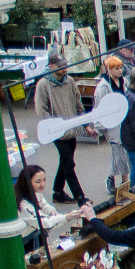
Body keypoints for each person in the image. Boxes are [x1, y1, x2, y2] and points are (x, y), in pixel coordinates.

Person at [35, 52, 95, 204]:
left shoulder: (69, 81)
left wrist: (85, 124)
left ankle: (57, 192)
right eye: (61, 67)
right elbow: (41, 110)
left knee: (65, 161)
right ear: (52, 66)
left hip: (72, 130)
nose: (65, 69)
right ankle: (80, 196)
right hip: (57, 132)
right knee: (68, 163)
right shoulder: (43, 84)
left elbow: (78, 103)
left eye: (66, 66)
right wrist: (54, 126)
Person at [10, 166, 84, 252]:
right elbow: (44, 223)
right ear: (27, 183)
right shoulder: (23, 205)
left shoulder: (34, 191)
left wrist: (52, 211)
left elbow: (44, 204)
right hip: (26, 241)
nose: (43, 184)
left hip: (35, 235)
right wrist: (66, 217)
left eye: (44, 180)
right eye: (38, 181)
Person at [94, 55, 130, 193]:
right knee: (118, 155)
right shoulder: (103, 87)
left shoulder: (124, 82)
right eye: (116, 68)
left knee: (125, 155)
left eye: (121, 68)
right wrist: (99, 129)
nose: (119, 71)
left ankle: (124, 184)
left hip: (126, 123)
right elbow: (98, 108)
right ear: (109, 69)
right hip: (113, 125)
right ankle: (113, 179)